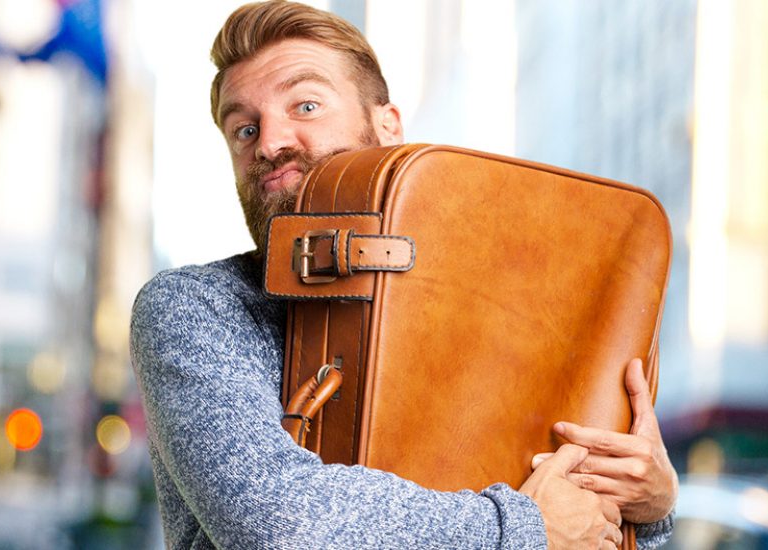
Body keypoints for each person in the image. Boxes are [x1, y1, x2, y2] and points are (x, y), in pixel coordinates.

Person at [129, 2, 678, 548]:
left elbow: (580, 525)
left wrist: (647, 508)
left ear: (388, 127)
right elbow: (275, 524)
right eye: (244, 129)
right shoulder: (195, 307)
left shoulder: (478, 300)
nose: (270, 142)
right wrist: (526, 527)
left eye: (307, 104)